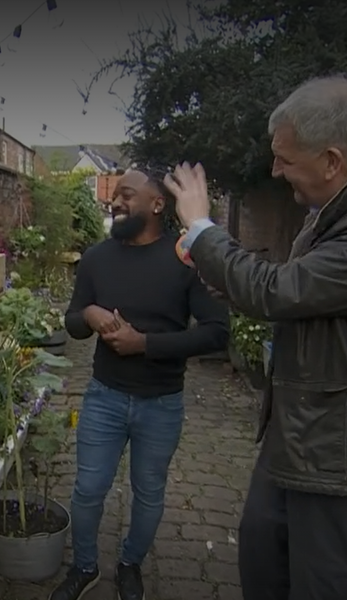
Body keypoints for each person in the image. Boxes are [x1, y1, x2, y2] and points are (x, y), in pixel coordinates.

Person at [165, 75, 347, 600]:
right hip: (295, 432)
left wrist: (201, 227)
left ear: (332, 161)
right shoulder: (324, 219)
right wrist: (233, 285)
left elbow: (279, 291)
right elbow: (301, 298)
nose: (274, 169)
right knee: (262, 554)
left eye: (285, 159)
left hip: (331, 452)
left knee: (318, 581)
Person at [50, 170, 230, 600]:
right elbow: (73, 324)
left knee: (148, 494)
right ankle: (85, 566)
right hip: (104, 397)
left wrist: (143, 343)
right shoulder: (96, 258)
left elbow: (216, 332)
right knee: (88, 489)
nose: (116, 203)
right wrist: (90, 313)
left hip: (161, 403)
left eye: (126, 195)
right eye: (113, 197)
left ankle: (130, 564)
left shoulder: (185, 258)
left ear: (157, 204)